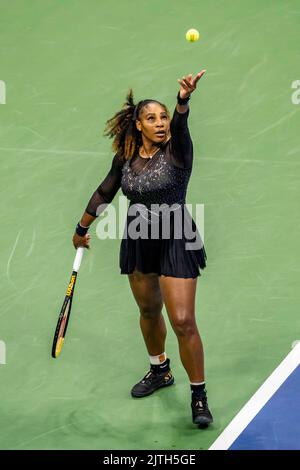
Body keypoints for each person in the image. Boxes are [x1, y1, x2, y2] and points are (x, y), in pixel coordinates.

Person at [73, 71, 213, 427]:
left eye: (164, 116)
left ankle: (199, 396)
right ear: (138, 125)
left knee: (182, 320)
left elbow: (181, 125)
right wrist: (81, 227)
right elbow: (106, 191)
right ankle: (160, 370)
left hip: (176, 234)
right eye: (152, 118)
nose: (161, 123)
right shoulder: (127, 156)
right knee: (149, 311)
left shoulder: (178, 151)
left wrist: (183, 100)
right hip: (138, 235)